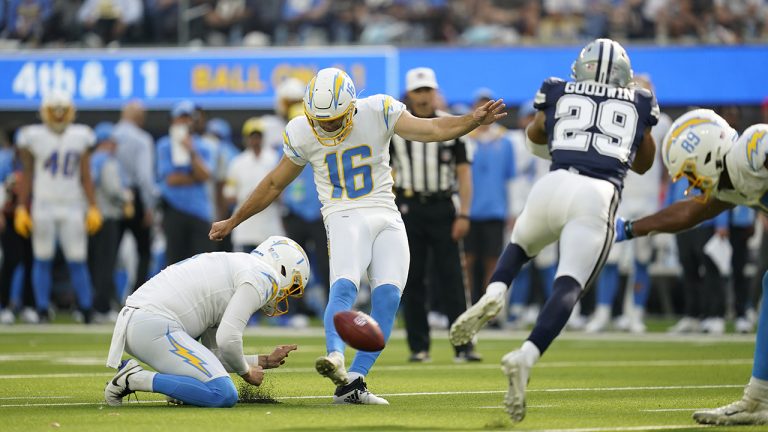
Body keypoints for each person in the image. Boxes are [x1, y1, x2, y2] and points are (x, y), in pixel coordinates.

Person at [209, 67, 506, 404]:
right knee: (345, 285)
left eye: (335, 119)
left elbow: (434, 128)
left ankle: (354, 381)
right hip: (342, 212)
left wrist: (472, 120)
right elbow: (276, 183)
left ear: (351, 106)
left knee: (390, 298)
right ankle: (335, 356)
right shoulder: (302, 130)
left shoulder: (377, 110)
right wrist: (234, 220)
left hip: (386, 210)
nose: (327, 126)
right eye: (321, 120)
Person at [449, 39, 658, 422]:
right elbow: (644, 163)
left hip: (554, 181)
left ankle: (495, 292)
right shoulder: (640, 99)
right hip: (597, 192)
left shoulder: (557, 87)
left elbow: (535, 134)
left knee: (520, 246)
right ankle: (526, 354)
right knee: (568, 284)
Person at [614, 110, 768, 425]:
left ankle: (758, 399)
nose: (690, 182)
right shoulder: (731, 181)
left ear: (706, 154)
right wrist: (626, 229)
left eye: (689, 171)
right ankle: (757, 399)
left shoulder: (755, 147)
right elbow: (690, 213)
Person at [104, 236, 308, 407]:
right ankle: (132, 379)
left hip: (143, 323)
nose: (285, 295)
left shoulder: (237, 267)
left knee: (211, 383)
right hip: (155, 324)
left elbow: (215, 354)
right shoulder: (266, 276)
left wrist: (263, 361)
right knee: (223, 394)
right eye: (293, 287)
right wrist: (246, 372)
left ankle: (175, 387)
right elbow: (228, 339)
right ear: (283, 269)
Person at [389, 67, 479, 363]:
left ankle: (463, 345)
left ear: (435, 92)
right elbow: (385, 172)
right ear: (409, 94)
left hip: (442, 206)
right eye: (418, 91)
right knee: (412, 279)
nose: (424, 96)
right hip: (408, 206)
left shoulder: (452, 127)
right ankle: (419, 346)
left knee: (452, 278)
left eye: (428, 90)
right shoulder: (395, 129)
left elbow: (464, 175)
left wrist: (464, 214)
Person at [585, 74, 672, 334]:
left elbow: (667, 167)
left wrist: (662, 199)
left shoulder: (663, 122)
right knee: (609, 258)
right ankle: (602, 312)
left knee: (642, 259)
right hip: (619, 196)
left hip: (647, 199)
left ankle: (635, 313)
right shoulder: (617, 113)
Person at [15, 92, 103, 323]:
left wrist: (93, 206)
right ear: (45, 112)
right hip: (43, 203)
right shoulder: (32, 136)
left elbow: (85, 175)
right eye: (54, 110)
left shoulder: (80, 135)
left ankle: (86, 309)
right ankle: (42, 309)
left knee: (77, 258)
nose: (58, 115)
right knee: (42, 257)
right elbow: (28, 174)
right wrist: (22, 207)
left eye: (62, 110)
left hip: (72, 203)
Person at [156, 100, 216, 265]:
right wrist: (194, 176)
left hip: (199, 212)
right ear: (172, 120)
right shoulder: (164, 145)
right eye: (181, 118)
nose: (184, 122)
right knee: (175, 264)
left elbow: (205, 175)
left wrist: (191, 151)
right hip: (174, 210)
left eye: (188, 118)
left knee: (201, 264)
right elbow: (171, 180)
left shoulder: (204, 146)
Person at [88, 122, 133, 323]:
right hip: (107, 216)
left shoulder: (90, 160)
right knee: (106, 264)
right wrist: (127, 196)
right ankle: (102, 307)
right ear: (106, 142)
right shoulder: (107, 161)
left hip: (92, 217)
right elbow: (113, 189)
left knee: (96, 263)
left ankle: (96, 304)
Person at [112, 101, 155, 294]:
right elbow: (144, 176)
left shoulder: (110, 135)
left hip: (111, 194)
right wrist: (148, 206)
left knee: (109, 251)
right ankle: (138, 295)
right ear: (139, 117)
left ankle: (105, 301)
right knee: (144, 251)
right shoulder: (141, 138)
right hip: (135, 196)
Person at [223, 117, 283, 252]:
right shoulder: (237, 163)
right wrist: (251, 197)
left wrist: (267, 196)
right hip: (245, 229)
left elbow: (281, 191)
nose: (255, 141)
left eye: (258, 137)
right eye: (252, 137)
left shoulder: (274, 159)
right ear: (246, 139)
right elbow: (228, 195)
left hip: (270, 227)